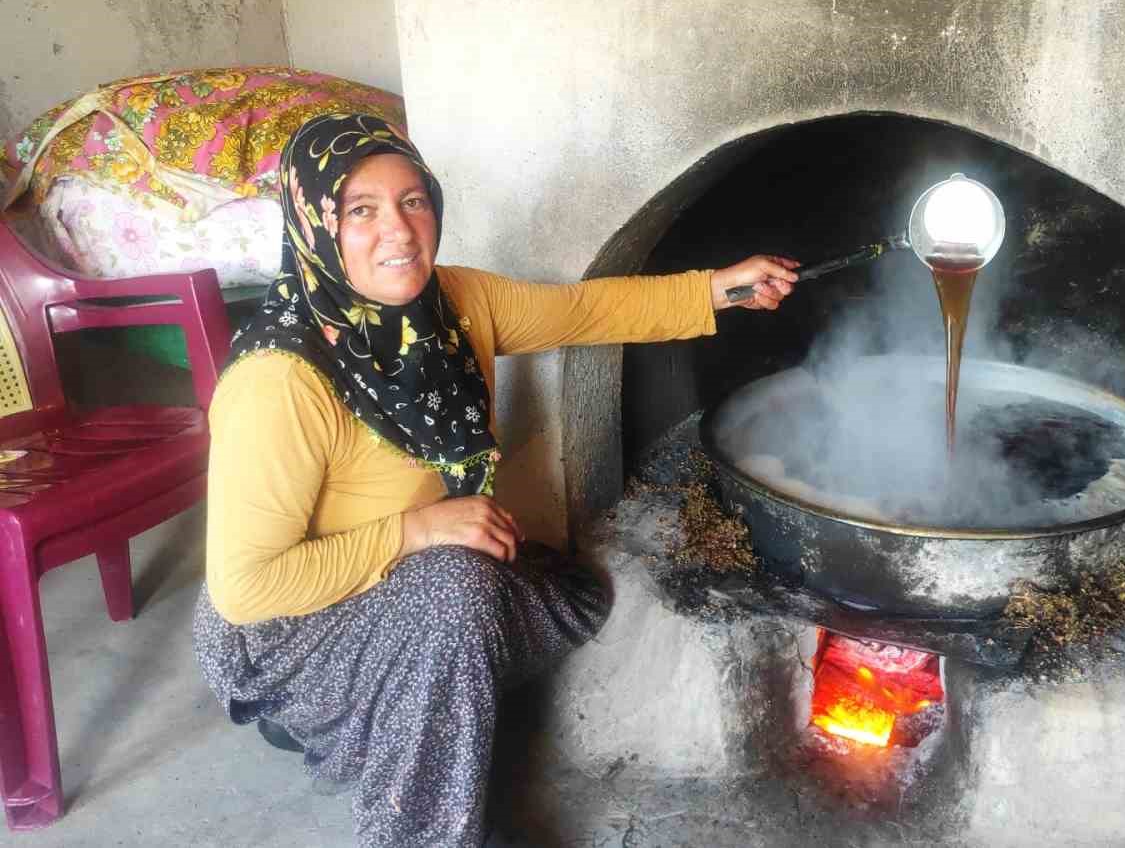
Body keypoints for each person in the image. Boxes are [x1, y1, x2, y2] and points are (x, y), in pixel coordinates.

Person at [191, 113, 797, 847]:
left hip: (410, 582)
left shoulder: (452, 304)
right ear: (314, 225)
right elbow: (247, 589)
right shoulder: (279, 382)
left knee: (555, 593)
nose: (400, 231)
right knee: (459, 589)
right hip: (289, 639)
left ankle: (405, 700)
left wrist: (720, 290)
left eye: (414, 200)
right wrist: (418, 529)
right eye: (361, 210)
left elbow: (583, 309)